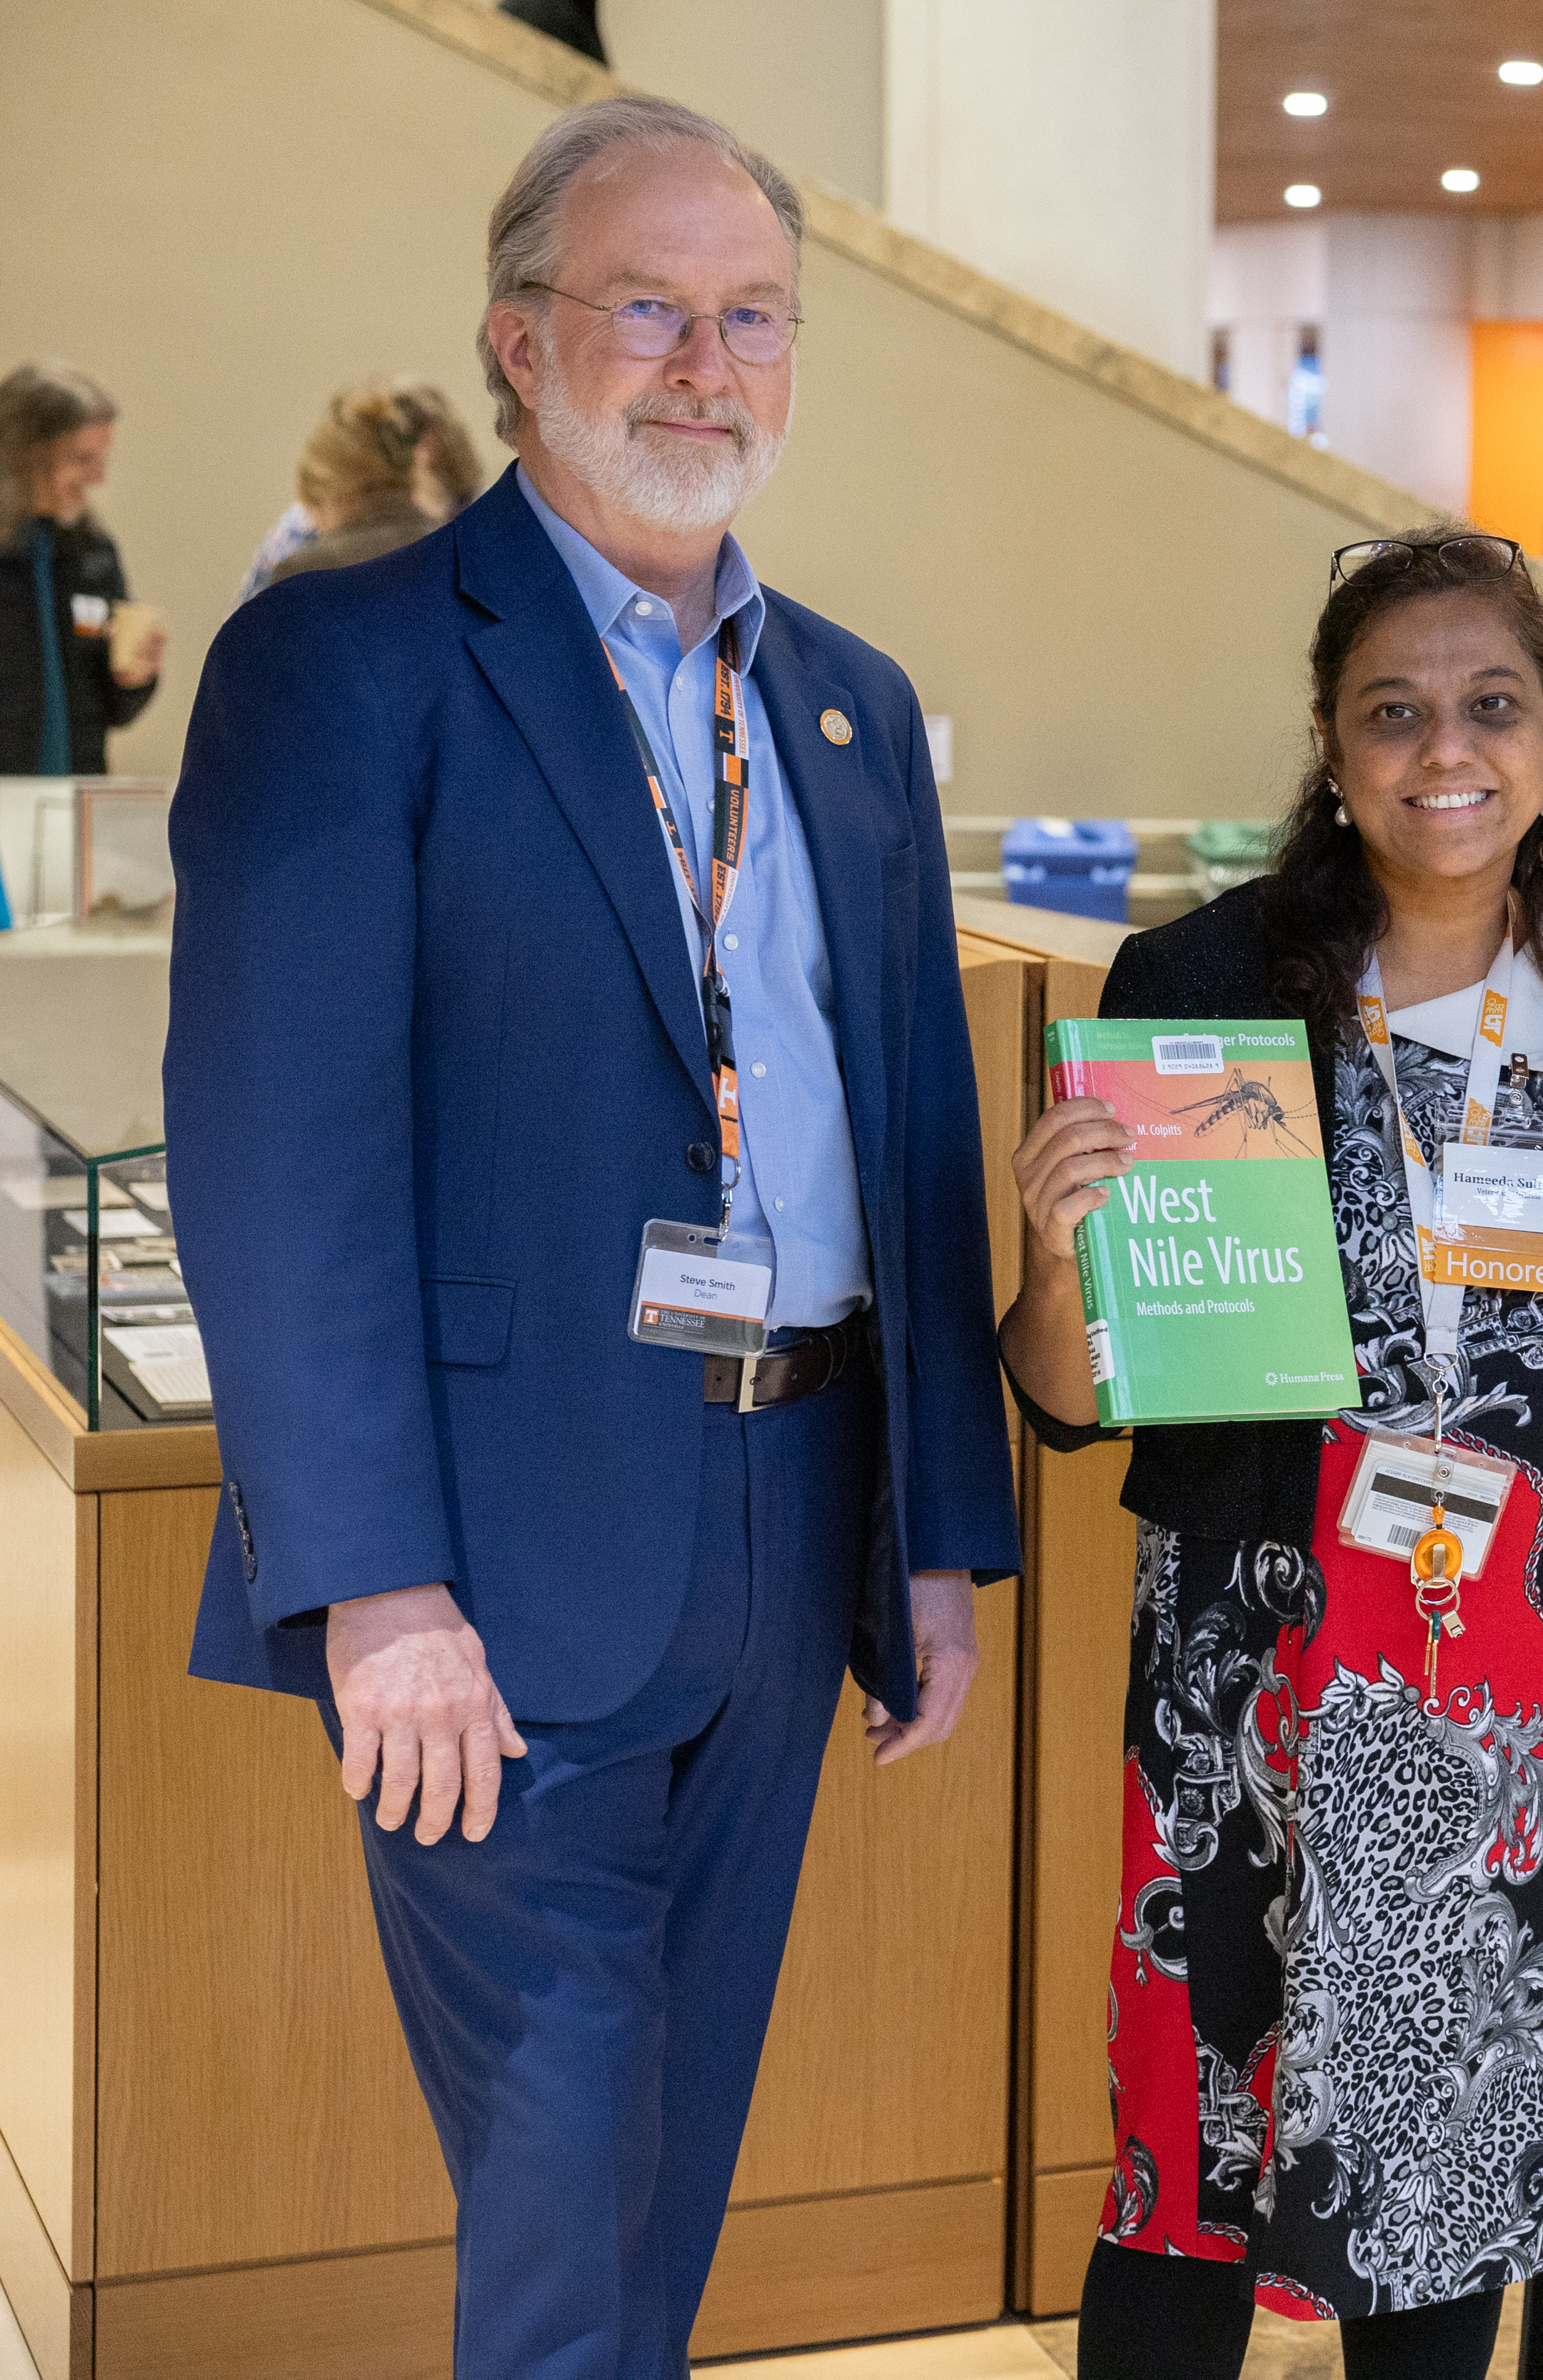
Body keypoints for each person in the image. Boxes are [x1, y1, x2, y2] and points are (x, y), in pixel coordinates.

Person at [163, 94, 1019, 2376]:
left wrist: (933, 1533)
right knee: (562, 2181)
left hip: (790, 1518)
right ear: (519, 342)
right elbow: (276, 1156)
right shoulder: (344, 667)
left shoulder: (848, 706)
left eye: (753, 317)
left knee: (665, 2169)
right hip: (491, 1564)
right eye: (648, 308)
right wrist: (369, 1584)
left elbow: (911, 1137)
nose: (705, 365)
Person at [1000, 528, 1543, 2380]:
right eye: (1393, 712)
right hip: (1251, 1681)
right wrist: (1057, 1262)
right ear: (1332, 747)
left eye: (1491, 704)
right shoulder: (1207, 979)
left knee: (1449, 2177)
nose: (1445, 749)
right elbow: (1076, 1397)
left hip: (1525, 1711)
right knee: (1189, 2170)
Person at [1, 360, 164, 777]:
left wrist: (134, 678)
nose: (98, 478)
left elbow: (114, 709)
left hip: (76, 794)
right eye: (82, 459)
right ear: (24, 455)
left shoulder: (95, 552)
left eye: (102, 459)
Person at [268, 376, 489, 583]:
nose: (315, 525)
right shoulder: (472, 556)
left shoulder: (302, 574)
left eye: (314, 508)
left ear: (334, 491)